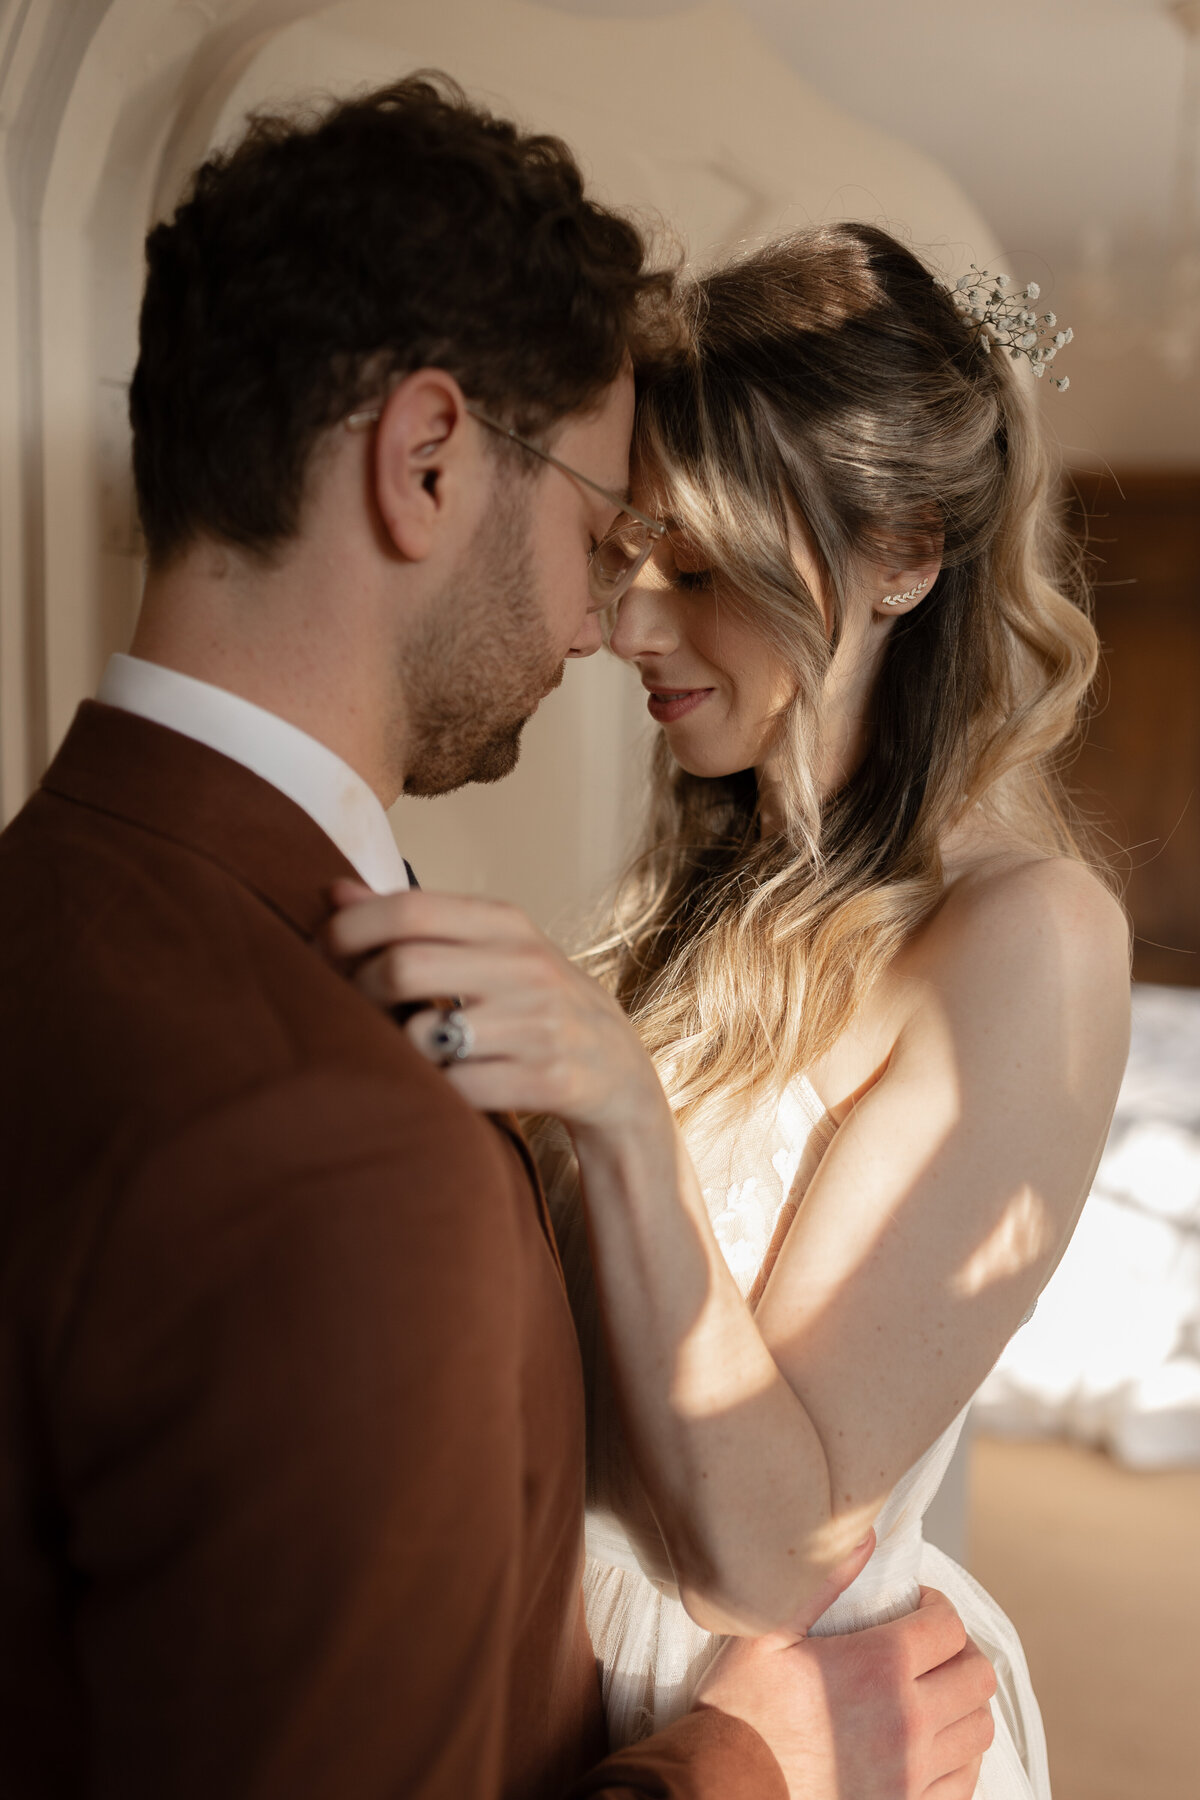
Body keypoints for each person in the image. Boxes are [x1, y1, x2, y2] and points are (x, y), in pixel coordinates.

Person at [0, 83, 996, 1800]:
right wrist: (741, 1769)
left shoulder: (56, 913)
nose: (604, 620)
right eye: (606, 526)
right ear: (430, 461)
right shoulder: (330, 1150)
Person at [327, 225, 1132, 1799]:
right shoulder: (695, 900)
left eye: (696, 571)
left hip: (798, 1731)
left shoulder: (1026, 943)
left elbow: (771, 1563)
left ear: (904, 554)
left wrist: (617, 1107)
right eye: (629, 555)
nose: (627, 626)